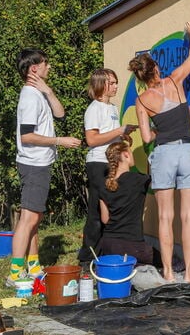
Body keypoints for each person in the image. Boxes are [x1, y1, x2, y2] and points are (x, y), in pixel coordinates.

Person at [128, 21, 190, 282]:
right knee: (189, 216)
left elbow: (147, 137)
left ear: (140, 78)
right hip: (188, 151)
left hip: (164, 154)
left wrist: (160, 131)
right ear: (157, 69)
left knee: (165, 216)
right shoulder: (175, 80)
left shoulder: (141, 101)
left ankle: (169, 273)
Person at [9, 49, 81, 286]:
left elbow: (60, 114)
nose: (49, 67)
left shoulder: (39, 93)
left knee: (35, 218)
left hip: (41, 162)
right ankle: (15, 273)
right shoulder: (29, 96)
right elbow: (27, 136)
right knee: (28, 218)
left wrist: (48, 90)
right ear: (34, 69)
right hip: (33, 163)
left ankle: (33, 265)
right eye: (45, 64)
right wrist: (59, 141)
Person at [78, 69, 136, 265]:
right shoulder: (94, 108)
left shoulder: (113, 108)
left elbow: (109, 134)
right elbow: (92, 139)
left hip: (111, 161)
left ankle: (104, 254)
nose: (116, 86)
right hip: (97, 163)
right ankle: (87, 258)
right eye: (112, 83)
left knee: (110, 209)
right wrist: (118, 131)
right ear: (101, 85)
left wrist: (123, 136)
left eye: (116, 82)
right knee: (96, 210)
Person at [98, 140, 155, 264]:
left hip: (108, 245)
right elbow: (157, 176)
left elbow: (105, 219)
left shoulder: (103, 184)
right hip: (132, 247)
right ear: (126, 155)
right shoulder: (138, 180)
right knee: (174, 263)